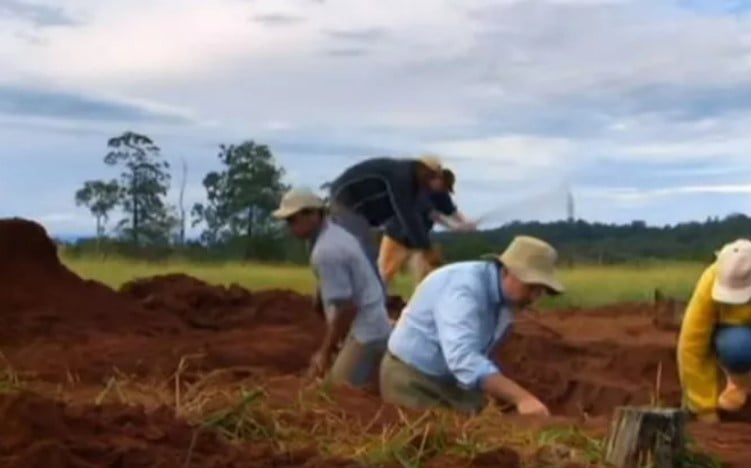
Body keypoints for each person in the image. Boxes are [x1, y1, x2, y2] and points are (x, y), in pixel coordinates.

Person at [379, 235, 564, 416]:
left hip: (453, 380)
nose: (533, 297)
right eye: (530, 287)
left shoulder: (506, 299)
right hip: (413, 380)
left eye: (541, 290)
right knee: (437, 439)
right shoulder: (464, 290)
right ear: (507, 271)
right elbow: (462, 357)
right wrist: (523, 399)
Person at [272, 187, 393, 388]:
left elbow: (347, 308)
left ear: (312, 215)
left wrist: (324, 352)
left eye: (292, 220)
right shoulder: (334, 234)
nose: (290, 227)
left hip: (366, 332)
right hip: (371, 321)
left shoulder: (326, 251)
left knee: (334, 393)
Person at [327, 155, 445, 280]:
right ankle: (361, 295)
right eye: (430, 176)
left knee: (360, 253)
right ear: (422, 169)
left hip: (356, 206)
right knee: (363, 254)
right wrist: (425, 248)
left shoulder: (409, 179)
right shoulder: (402, 176)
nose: (430, 182)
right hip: (346, 202)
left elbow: (415, 213)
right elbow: (406, 214)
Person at [677, 238, 751, 423]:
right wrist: (704, 408)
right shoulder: (710, 281)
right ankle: (738, 383)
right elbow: (691, 346)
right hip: (737, 335)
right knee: (736, 347)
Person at [378, 168, 476, 287]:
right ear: (436, 179)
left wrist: (466, 223)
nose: (443, 190)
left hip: (419, 240)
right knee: (385, 274)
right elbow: (433, 214)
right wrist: (454, 227)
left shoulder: (441, 193)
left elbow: (451, 211)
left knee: (425, 277)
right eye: (443, 186)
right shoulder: (418, 190)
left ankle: (420, 302)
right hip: (397, 237)